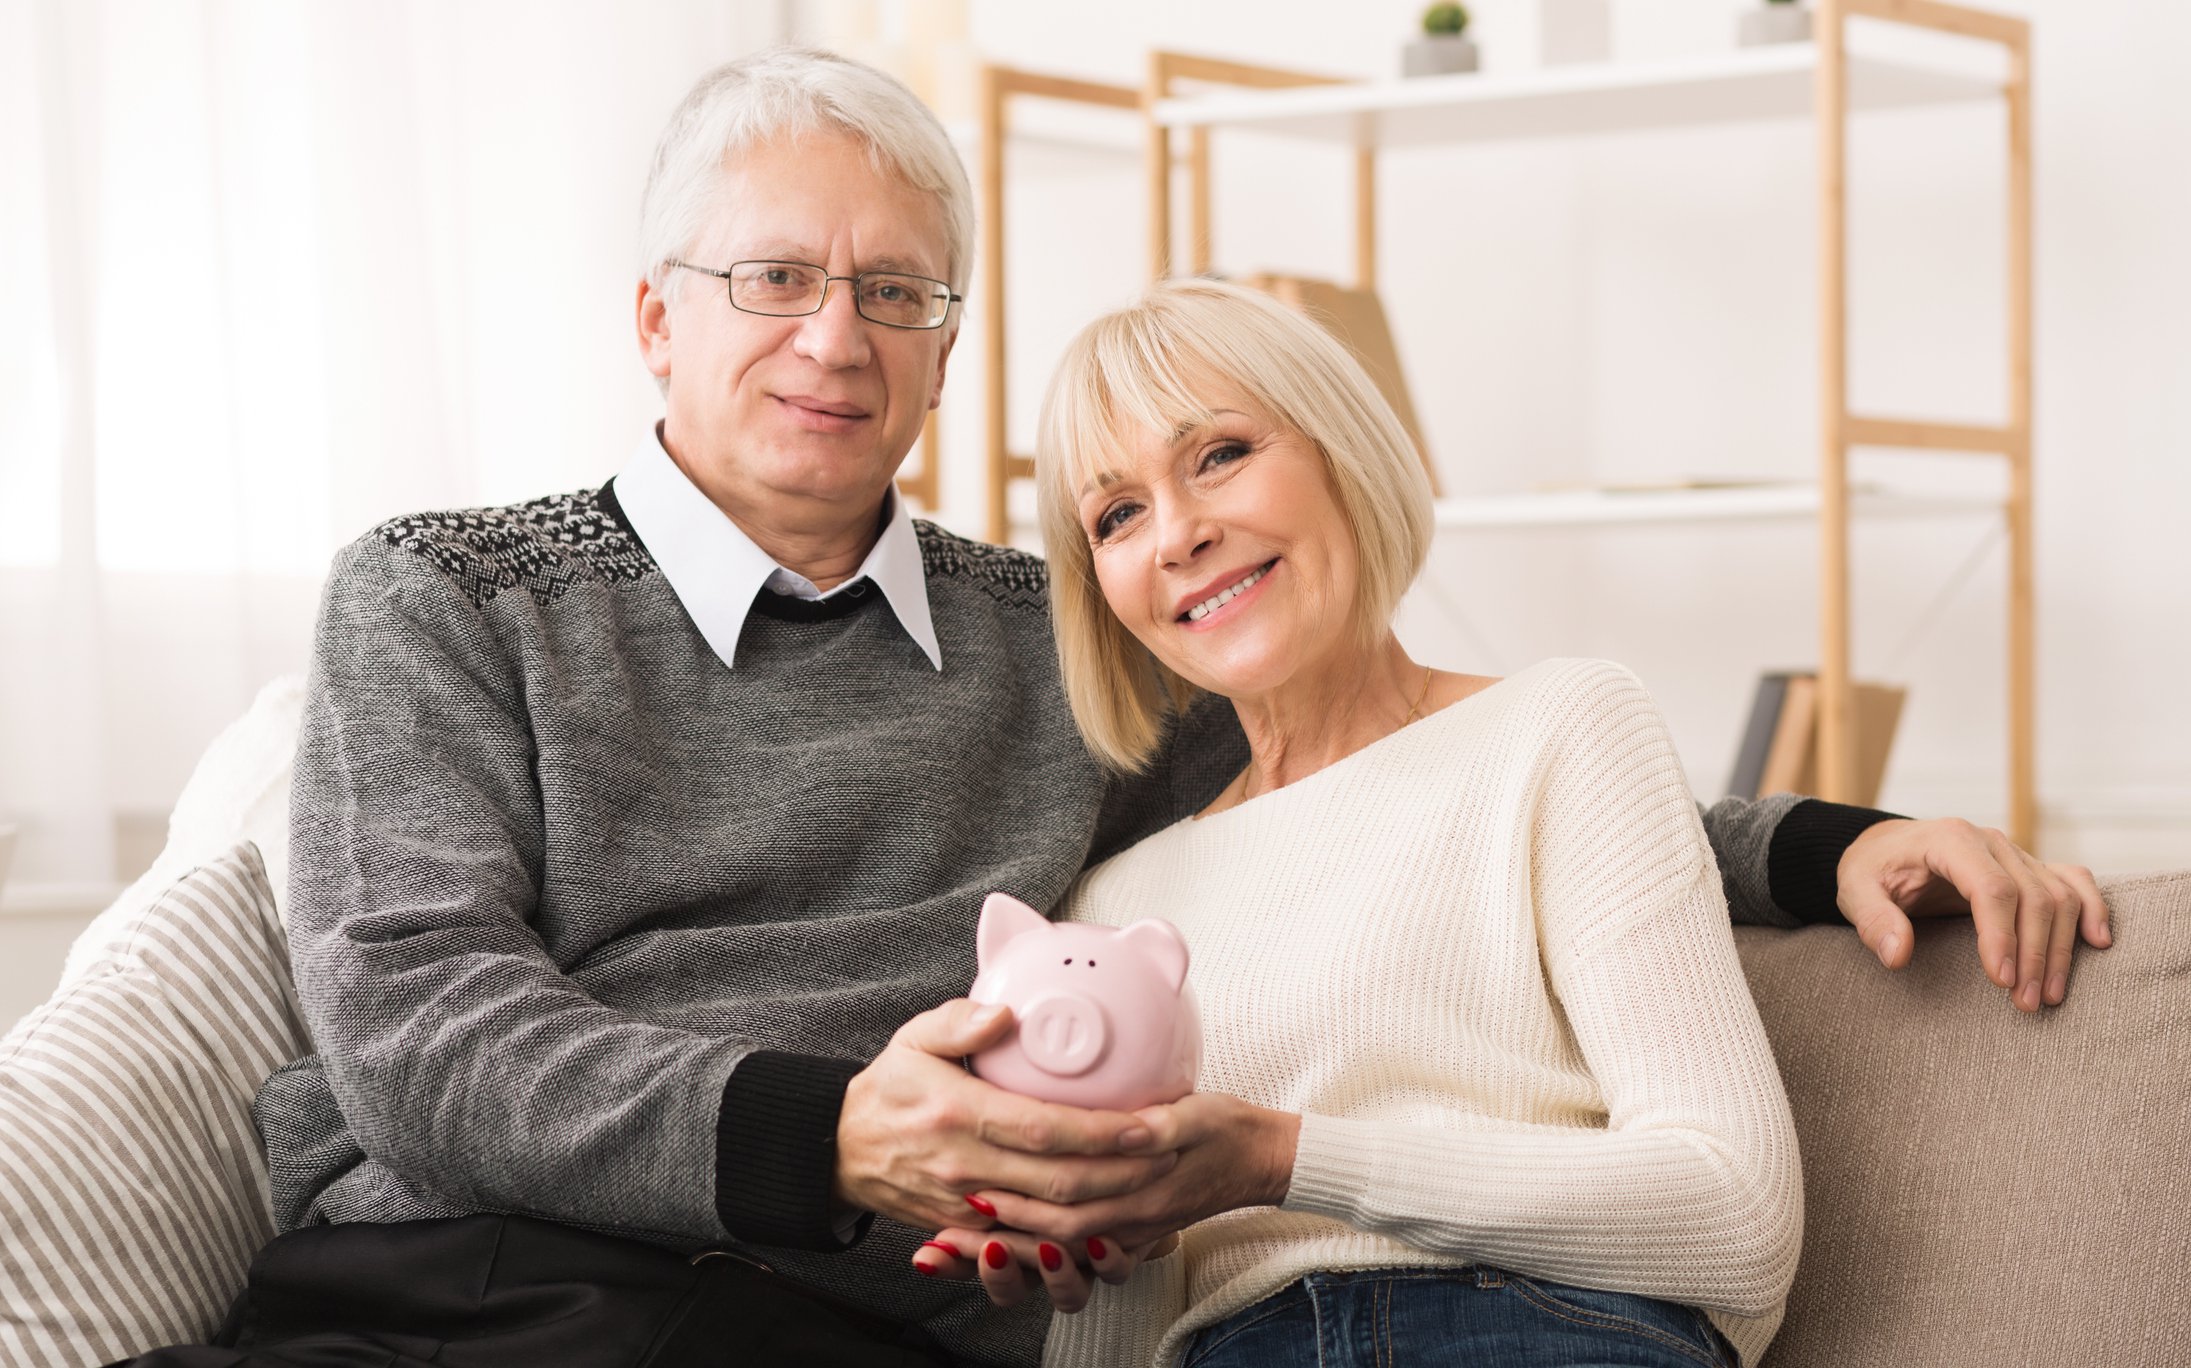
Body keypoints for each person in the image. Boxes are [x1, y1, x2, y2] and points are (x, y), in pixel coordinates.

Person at [116, 46, 2105, 1368]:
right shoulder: (449, 590)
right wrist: (833, 1134)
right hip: (483, 1293)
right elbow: (420, 1029)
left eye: (898, 295)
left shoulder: (1055, 647)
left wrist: (1830, 838)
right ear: (657, 313)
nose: (838, 337)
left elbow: (1392, 778)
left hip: (855, 1336)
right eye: (777, 278)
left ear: (947, 349)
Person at [917, 277, 1815, 1367]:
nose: (1178, 535)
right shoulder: (1119, 906)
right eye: (1118, 513)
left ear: (1340, 451)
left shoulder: (1563, 727)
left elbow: (1736, 1220)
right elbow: (1119, 1333)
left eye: (1218, 455)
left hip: (1535, 1333)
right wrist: (1081, 1239)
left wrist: (1280, 1158)